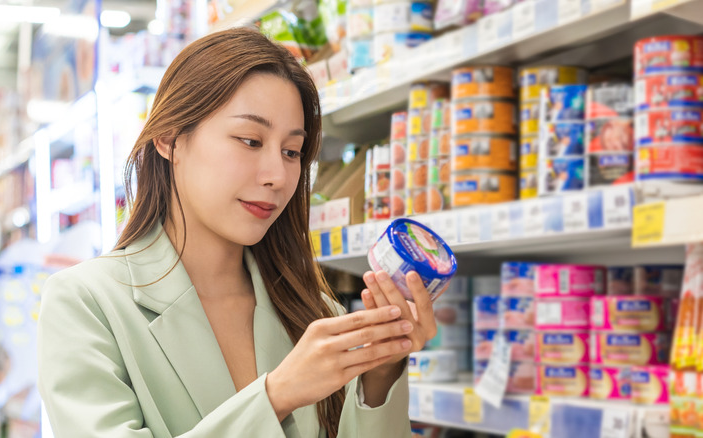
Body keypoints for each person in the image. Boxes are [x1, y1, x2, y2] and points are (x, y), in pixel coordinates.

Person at [37, 28, 438, 438]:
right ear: (169, 137)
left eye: (291, 152)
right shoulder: (86, 303)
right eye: (249, 140)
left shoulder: (316, 314)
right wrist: (276, 395)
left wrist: (381, 373)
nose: (277, 176)